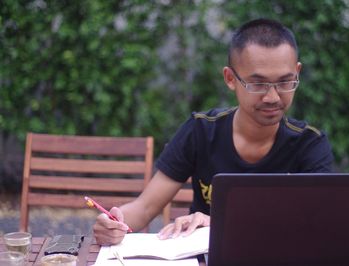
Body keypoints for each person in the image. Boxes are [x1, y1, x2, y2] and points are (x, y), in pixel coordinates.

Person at [93, 18, 333, 246]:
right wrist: (114, 224)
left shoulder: (309, 144)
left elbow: (317, 226)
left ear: (297, 73)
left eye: (285, 82)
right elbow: (144, 208)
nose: (272, 97)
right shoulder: (201, 131)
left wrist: (218, 224)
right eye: (258, 84)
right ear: (230, 78)